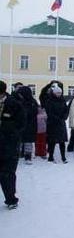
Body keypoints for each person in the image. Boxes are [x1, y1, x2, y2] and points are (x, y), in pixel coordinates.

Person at [0, 80, 25, 209]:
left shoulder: (14, 104)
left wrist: (9, 130)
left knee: (7, 173)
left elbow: (21, 123)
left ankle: (11, 199)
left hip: (9, 144)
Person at [45, 85, 69, 163]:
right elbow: (49, 112)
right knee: (52, 142)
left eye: (60, 93)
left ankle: (63, 157)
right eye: (57, 93)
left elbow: (66, 110)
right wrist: (57, 118)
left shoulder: (63, 100)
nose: (59, 94)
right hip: (52, 124)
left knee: (62, 142)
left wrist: (64, 117)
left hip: (61, 123)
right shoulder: (49, 100)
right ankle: (51, 157)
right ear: (54, 93)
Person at [16, 86, 38, 164]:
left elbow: (35, 112)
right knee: (19, 141)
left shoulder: (32, 102)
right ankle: (18, 154)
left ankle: (28, 156)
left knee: (28, 142)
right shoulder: (18, 101)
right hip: (20, 124)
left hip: (30, 124)